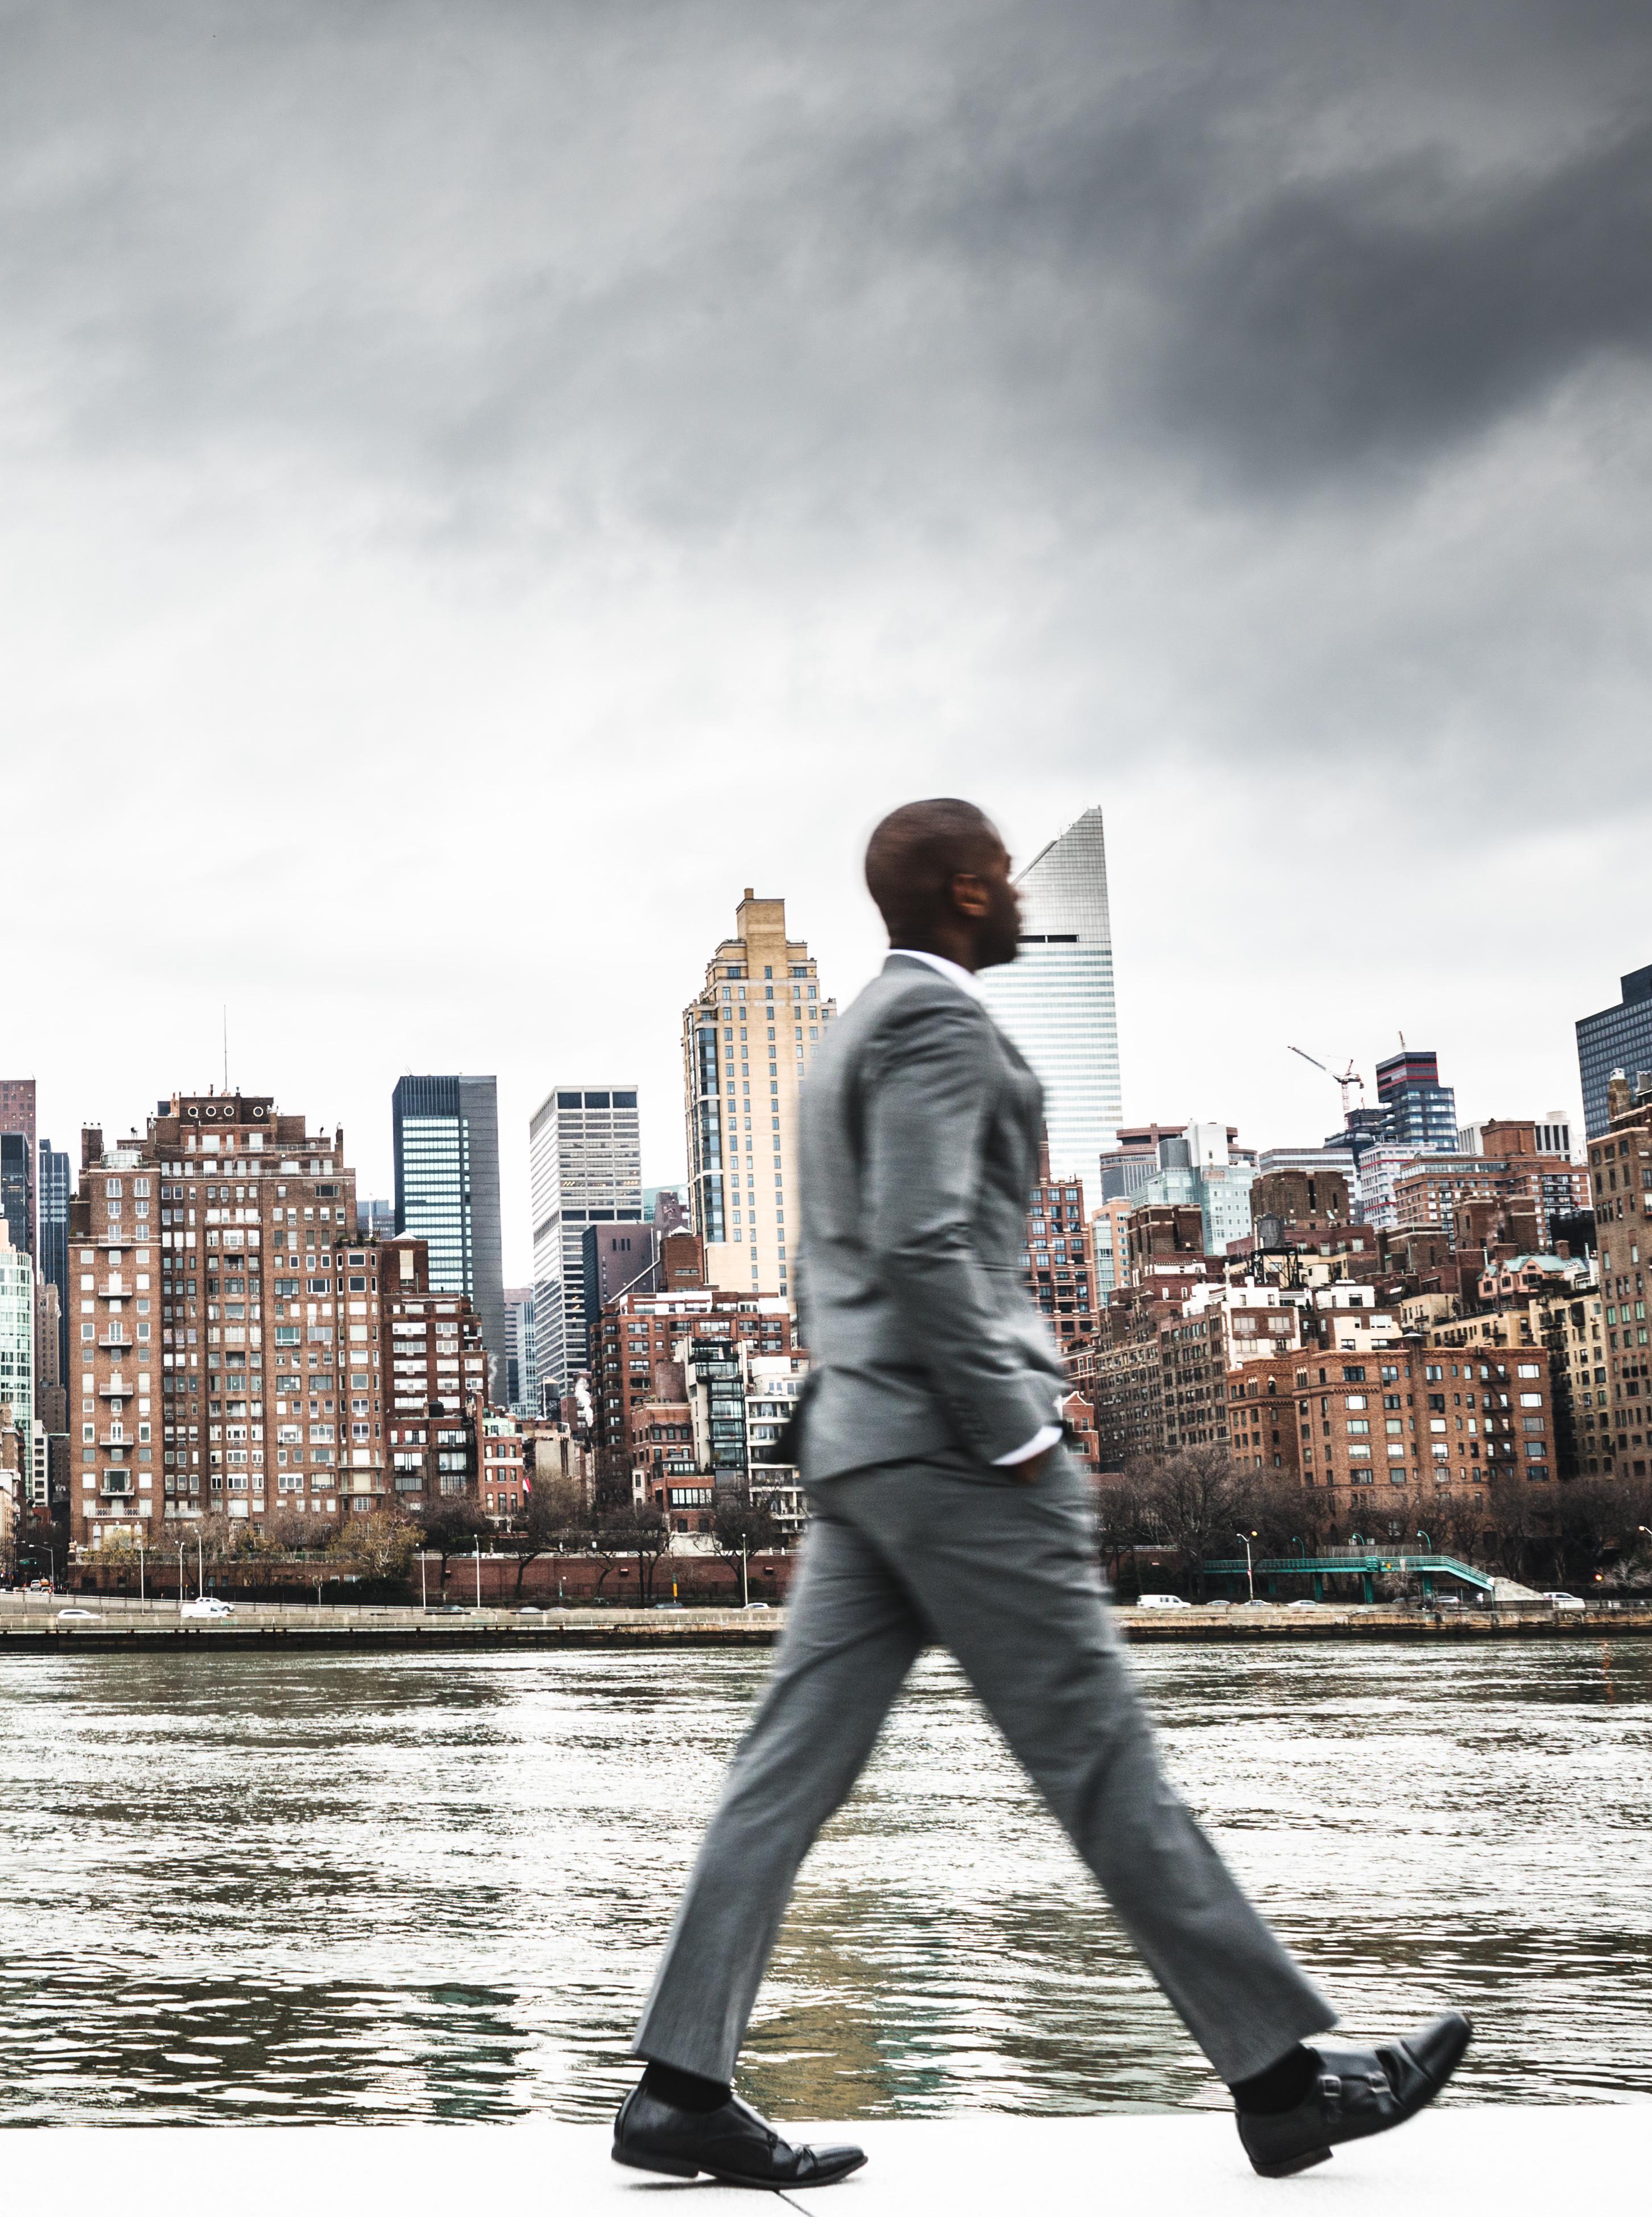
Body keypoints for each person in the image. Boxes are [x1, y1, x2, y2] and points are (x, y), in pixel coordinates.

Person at [609, 799, 1467, 2187]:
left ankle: (679, 2080)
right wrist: (1019, 1432)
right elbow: (933, 1241)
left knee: (777, 1779)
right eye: (1000, 879)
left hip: (863, 1453)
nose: (1015, 899)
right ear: (960, 893)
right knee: (1102, 1763)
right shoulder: (941, 1030)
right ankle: (1282, 2079)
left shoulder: (842, 1045)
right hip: (959, 1459)